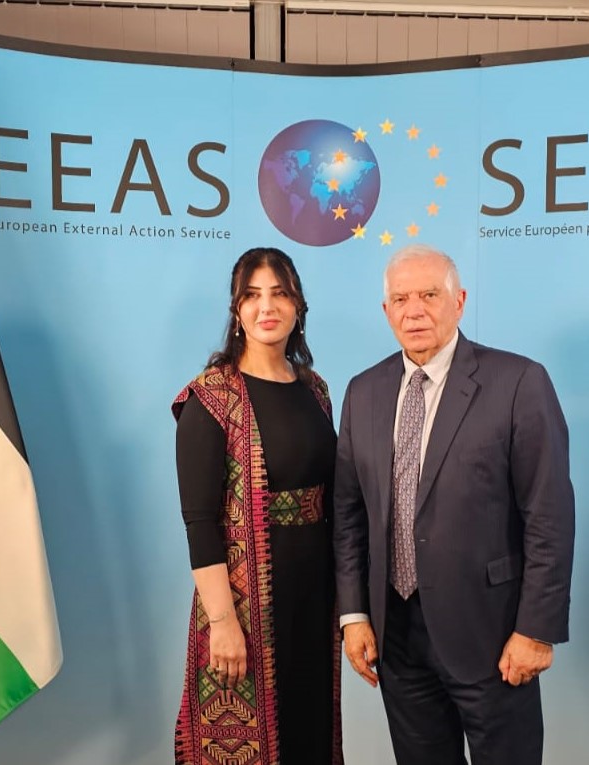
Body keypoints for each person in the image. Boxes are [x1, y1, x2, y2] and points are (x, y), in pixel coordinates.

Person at [333, 244, 575, 765]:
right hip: (396, 636)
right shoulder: (363, 392)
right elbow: (349, 518)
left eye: (429, 295)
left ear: (459, 301)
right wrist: (354, 615)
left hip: (492, 634)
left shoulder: (518, 382)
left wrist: (536, 629)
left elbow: (549, 517)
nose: (414, 311)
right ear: (386, 310)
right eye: (401, 299)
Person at [172, 247, 343, 765]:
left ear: (298, 306)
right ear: (237, 311)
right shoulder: (210, 398)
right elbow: (200, 523)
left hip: (314, 596)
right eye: (252, 295)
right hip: (244, 606)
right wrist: (223, 623)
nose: (266, 307)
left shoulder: (315, 390)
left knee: (309, 733)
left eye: (279, 294)